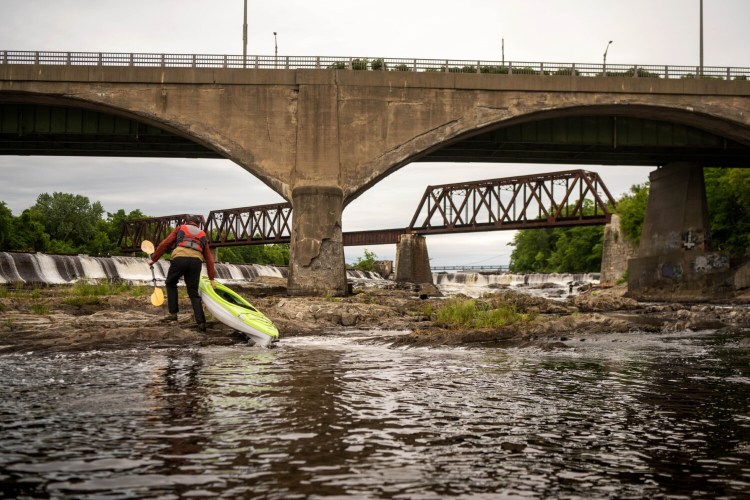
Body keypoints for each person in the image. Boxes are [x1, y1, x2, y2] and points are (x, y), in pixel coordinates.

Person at [148, 215, 216, 332]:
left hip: (179, 259)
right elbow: (209, 258)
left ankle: (173, 314)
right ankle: (201, 323)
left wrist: (153, 259)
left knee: (170, 283)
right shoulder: (202, 235)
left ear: (188, 222)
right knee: (193, 292)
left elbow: (165, 244)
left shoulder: (180, 228)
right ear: (198, 224)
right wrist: (211, 278)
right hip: (196, 262)